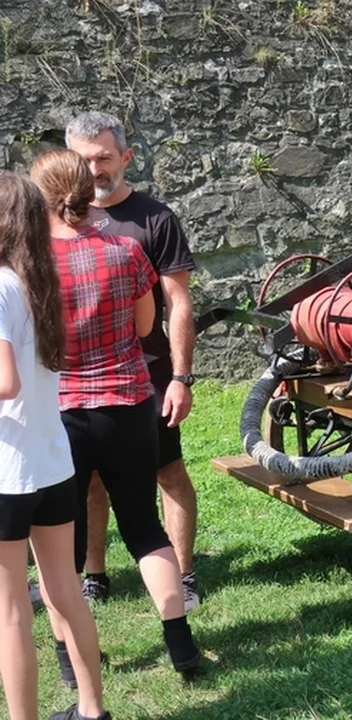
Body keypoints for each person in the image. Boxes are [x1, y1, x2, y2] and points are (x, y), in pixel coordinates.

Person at [31, 149, 200, 680]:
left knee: (63, 549)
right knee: (147, 531)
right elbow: (146, 323)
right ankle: (182, 647)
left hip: (62, 415)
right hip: (128, 405)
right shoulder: (128, 250)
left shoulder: (30, 265)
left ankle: (70, 663)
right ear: (87, 191)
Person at [65, 111, 201, 612]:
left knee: (168, 471)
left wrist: (181, 377)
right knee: (91, 480)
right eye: (83, 159)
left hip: (148, 373)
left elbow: (178, 302)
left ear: (125, 157)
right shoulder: (59, 223)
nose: (94, 169)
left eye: (103, 157)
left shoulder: (155, 218)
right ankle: (94, 574)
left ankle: (184, 575)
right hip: (79, 379)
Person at [0, 170, 111, 720]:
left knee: (12, 612)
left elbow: (4, 382)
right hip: (51, 463)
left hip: (8, 472)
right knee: (64, 590)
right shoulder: (39, 283)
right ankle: (92, 711)